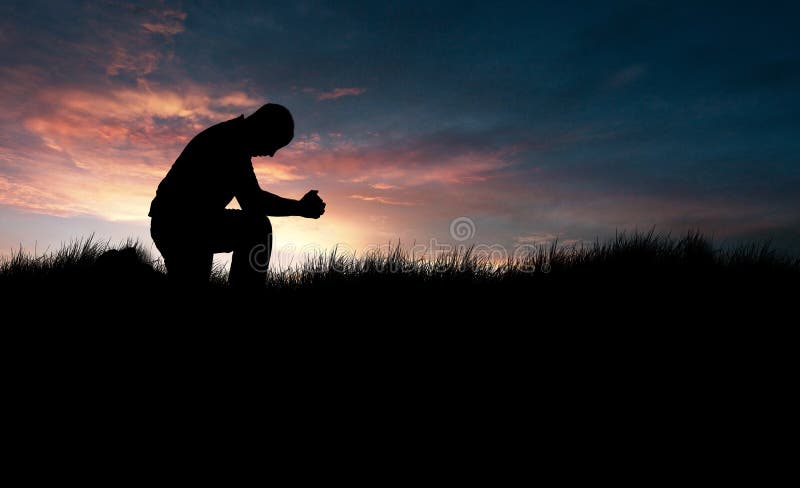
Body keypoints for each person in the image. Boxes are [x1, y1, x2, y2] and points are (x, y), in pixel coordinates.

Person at [148, 103, 325, 289]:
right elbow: (254, 202)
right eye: (275, 143)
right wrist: (300, 208)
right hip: (180, 226)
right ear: (263, 128)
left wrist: (299, 207)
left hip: (192, 223)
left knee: (255, 228)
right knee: (257, 227)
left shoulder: (234, 138)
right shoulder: (230, 142)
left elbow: (252, 199)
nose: (272, 154)